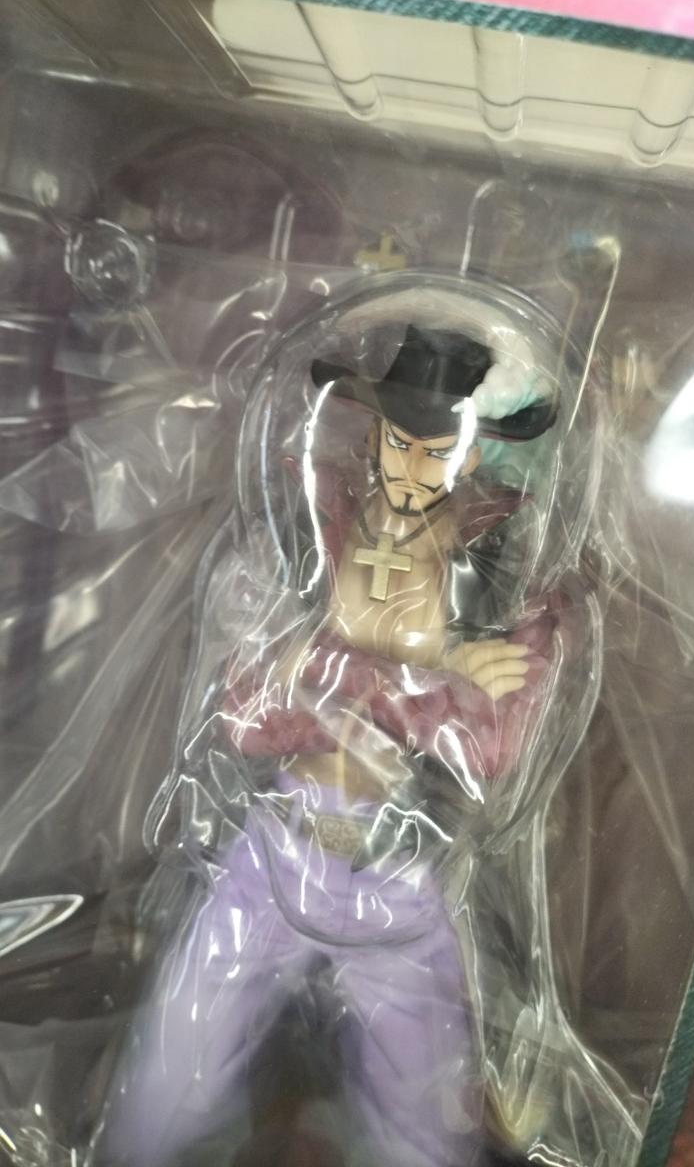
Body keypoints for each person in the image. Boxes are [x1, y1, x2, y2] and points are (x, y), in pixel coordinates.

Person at [95, 316, 567, 1167]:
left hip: (400, 870)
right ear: (376, 433)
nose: (412, 469)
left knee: (421, 1124)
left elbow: (490, 746)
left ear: (467, 454)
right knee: (167, 1084)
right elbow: (248, 709)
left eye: (436, 451)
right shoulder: (311, 518)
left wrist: (329, 664)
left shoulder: (501, 561)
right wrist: (432, 670)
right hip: (277, 845)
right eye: (401, 443)